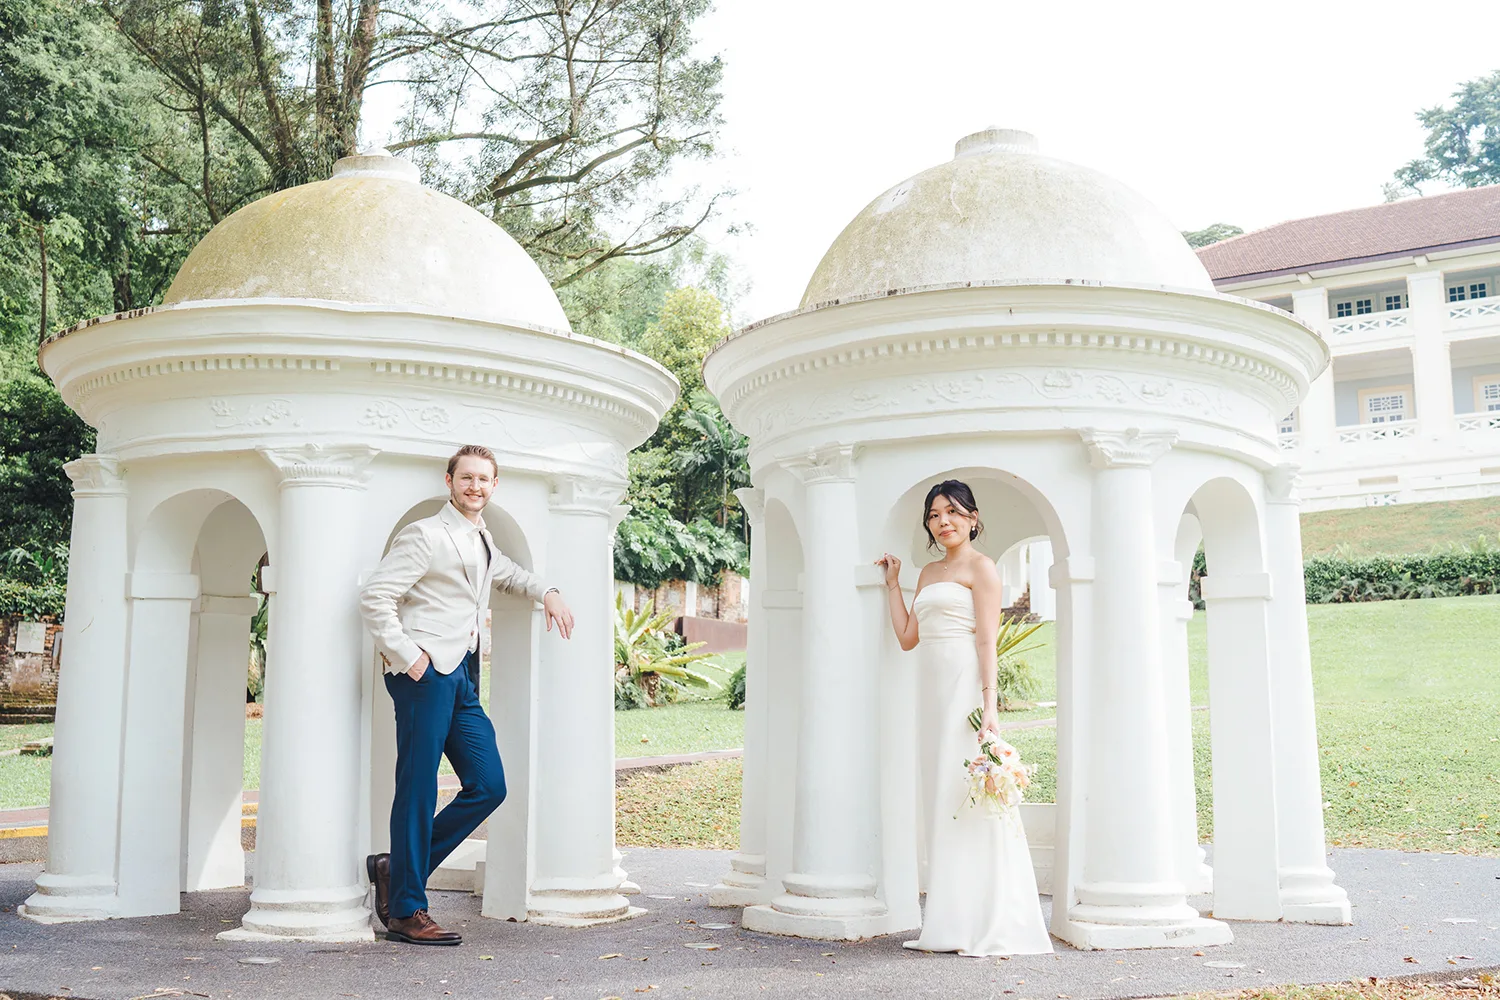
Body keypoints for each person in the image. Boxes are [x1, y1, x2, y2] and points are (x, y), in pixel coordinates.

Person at [358, 444, 575, 945]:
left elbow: (507, 575)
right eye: (467, 478)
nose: (475, 486)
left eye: (484, 479)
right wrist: (410, 658)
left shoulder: (481, 537)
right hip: (427, 674)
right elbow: (376, 596)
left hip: (464, 676)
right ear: (449, 480)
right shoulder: (426, 535)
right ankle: (407, 911)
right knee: (419, 786)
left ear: (493, 486)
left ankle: (396, 868)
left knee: (489, 785)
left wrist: (548, 591)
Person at [875, 479, 1052, 957]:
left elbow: (986, 642)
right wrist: (894, 585)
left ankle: (984, 918)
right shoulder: (929, 572)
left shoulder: (983, 568)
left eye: (953, 512)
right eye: (934, 515)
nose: (943, 521)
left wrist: (990, 704)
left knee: (971, 798)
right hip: (929, 694)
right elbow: (908, 637)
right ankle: (949, 920)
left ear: (973, 518)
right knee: (941, 798)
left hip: (966, 691)